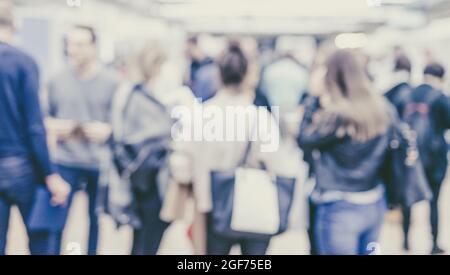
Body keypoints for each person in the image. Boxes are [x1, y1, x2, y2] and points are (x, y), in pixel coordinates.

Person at [187, 42, 287, 255]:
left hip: (212, 205)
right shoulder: (260, 118)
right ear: (248, 75)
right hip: (254, 205)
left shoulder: (201, 115)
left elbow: (184, 162)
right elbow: (274, 162)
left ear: (219, 74)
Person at [298, 50, 396, 255]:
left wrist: (312, 98)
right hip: (374, 201)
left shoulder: (337, 115)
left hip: (338, 205)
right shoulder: (383, 108)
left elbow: (305, 140)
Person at [0, 2, 70, 255]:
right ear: (14, 25)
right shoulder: (23, 62)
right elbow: (34, 126)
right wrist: (50, 174)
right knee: (41, 242)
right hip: (21, 167)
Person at [46, 25, 118, 255]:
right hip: (65, 161)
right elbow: (43, 119)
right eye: (69, 44)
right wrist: (56, 127)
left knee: (95, 222)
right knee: (56, 222)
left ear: (93, 47)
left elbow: (121, 124)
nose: (72, 49)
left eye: (79, 44)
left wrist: (108, 130)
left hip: (98, 162)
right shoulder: (56, 80)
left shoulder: (112, 82)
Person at [400, 63, 450, 254]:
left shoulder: (407, 94)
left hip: (410, 157)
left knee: (408, 198)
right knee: (434, 201)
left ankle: (405, 241)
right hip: (435, 159)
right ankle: (434, 244)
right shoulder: (441, 98)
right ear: (440, 77)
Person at [185, 36, 221, 102]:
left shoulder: (210, 67)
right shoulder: (192, 66)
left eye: (189, 49)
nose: (187, 53)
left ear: (195, 46)